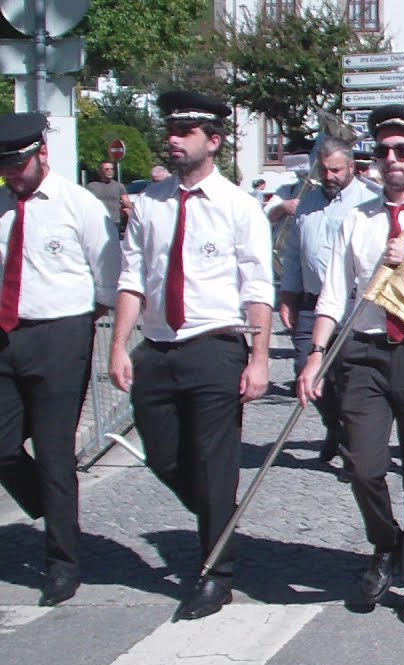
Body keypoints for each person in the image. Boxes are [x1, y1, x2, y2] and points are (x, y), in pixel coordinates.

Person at [109, 90, 274, 621]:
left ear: (214, 142)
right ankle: (218, 521)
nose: (173, 141)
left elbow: (258, 286)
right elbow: (132, 277)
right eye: (171, 132)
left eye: (185, 133)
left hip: (216, 346)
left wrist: (260, 358)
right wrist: (118, 346)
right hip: (157, 349)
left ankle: (215, 574)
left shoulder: (239, 207)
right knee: (162, 455)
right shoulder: (151, 203)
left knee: (215, 463)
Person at [297, 104, 404, 626]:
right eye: (383, 151)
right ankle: (386, 545)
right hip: (361, 352)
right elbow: (333, 294)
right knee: (362, 466)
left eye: (402, 151)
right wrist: (315, 354)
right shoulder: (356, 220)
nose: (391, 159)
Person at [0, 113, 119, 607]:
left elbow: (108, 269)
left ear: (40, 155)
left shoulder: (78, 205)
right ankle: (47, 506)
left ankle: (62, 561)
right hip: (8, 335)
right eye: (6, 166)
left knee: (54, 455)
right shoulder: (1, 204)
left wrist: (91, 319)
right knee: (3, 448)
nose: (13, 175)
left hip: (61, 335)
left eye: (19, 165)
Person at [279, 137, 378, 464]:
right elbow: (294, 252)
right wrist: (287, 295)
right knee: (304, 371)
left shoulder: (369, 201)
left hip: (351, 306)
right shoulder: (307, 203)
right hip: (311, 304)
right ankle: (334, 426)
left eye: (336, 169)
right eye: (324, 170)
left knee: (350, 379)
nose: (329, 176)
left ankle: (352, 448)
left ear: (351, 167)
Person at [85, 159, 132, 235]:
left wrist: (133, 209)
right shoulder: (91, 186)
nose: (110, 171)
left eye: (112, 169)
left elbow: (126, 201)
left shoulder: (119, 186)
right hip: (97, 221)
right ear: (100, 172)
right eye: (106, 169)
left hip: (114, 221)